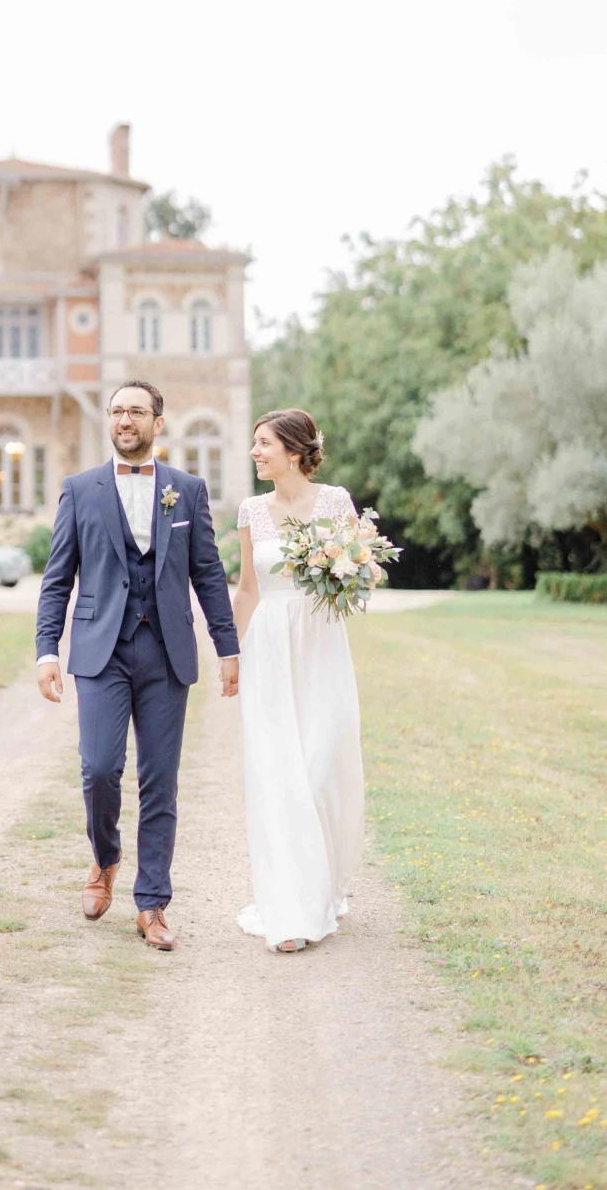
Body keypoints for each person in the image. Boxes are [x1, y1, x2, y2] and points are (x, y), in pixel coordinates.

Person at [35, 380, 240, 950]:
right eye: (118, 410)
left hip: (166, 651)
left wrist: (227, 647)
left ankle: (152, 904)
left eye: (137, 411)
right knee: (99, 768)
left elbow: (208, 574)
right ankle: (105, 860)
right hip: (101, 649)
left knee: (160, 782)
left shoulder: (188, 490)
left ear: (158, 422)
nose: (126, 419)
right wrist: (47, 650)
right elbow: (58, 580)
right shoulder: (79, 489)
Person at [234, 408, 365, 953]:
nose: (254, 452)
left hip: (321, 644)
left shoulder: (335, 502)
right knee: (278, 776)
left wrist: (347, 570)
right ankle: (291, 913)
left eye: (263, 444)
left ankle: (323, 886)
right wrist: (231, 655)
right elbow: (247, 588)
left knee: (318, 770)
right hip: (268, 646)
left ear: (292, 451)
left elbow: (360, 571)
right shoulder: (250, 510)